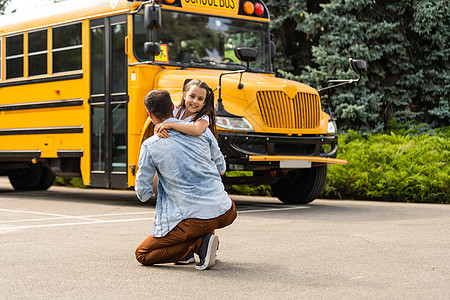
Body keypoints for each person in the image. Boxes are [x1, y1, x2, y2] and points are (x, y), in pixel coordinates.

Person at [135, 89, 236, 270]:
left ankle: (198, 244)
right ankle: (195, 249)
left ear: (149, 114)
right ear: (172, 107)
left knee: (143, 254)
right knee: (198, 212)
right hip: (226, 210)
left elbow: (143, 194)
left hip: (195, 220)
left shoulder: (150, 145)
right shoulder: (201, 131)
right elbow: (221, 167)